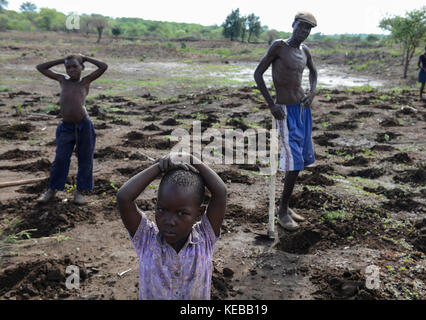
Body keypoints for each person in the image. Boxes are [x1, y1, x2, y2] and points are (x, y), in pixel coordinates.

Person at [116, 152, 227, 300]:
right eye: (162, 210)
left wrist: (191, 159)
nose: (169, 221)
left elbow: (220, 193)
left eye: (181, 213)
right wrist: (158, 168)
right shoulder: (146, 239)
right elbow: (124, 197)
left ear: (199, 213)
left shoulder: (205, 237)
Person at [254, 12, 318, 231]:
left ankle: (287, 206)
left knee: (300, 158)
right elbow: (258, 74)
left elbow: (314, 73)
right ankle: (281, 211)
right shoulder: (279, 47)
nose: (304, 32)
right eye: (301, 27)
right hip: (284, 111)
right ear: (293, 25)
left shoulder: (305, 51)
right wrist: (271, 104)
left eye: (308, 29)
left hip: (302, 110)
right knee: (294, 161)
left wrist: (312, 93)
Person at [36, 54, 108, 205]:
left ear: (82, 67)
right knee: (60, 159)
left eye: (75, 66)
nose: (71, 70)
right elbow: (40, 67)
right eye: (68, 67)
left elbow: (103, 66)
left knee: (85, 159)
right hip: (66, 127)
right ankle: (52, 190)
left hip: (84, 126)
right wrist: (61, 60)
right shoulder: (62, 80)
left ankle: (80, 192)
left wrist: (86, 58)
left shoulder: (85, 81)